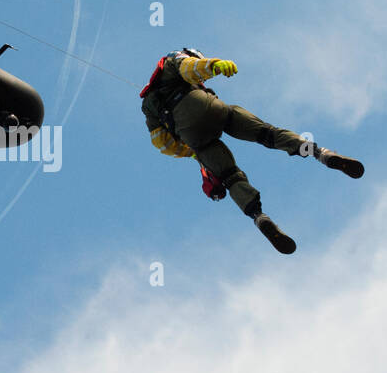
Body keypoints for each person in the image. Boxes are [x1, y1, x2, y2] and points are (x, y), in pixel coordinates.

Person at [141, 48, 363, 254]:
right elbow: (188, 67)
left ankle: (258, 216)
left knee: (230, 176)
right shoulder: (172, 61)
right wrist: (215, 65)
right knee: (269, 134)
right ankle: (320, 153)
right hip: (211, 109)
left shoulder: (149, 105)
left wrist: (189, 151)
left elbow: (160, 142)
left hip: (193, 136)